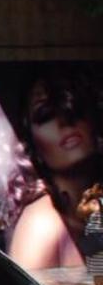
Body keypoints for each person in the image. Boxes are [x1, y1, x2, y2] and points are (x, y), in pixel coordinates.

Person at [8, 66, 103, 270]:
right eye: (45, 115)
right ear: (31, 145)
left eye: (73, 106)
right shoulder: (42, 223)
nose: (65, 121)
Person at [76, 183, 103, 285]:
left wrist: (84, 199)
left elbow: (80, 212)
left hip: (97, 243)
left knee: (99, 274)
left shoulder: (95, 203)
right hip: (98, 242)